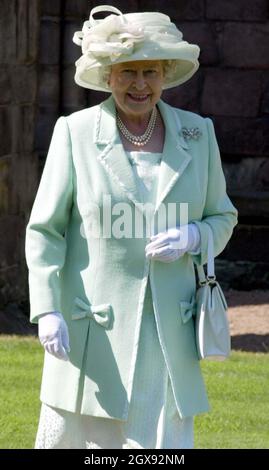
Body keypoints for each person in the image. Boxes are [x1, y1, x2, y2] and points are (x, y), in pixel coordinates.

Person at [25, 5, 238, 449]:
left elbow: (223, 215)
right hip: (92, 327)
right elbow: (45, 230)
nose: (140, 84)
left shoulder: (198, 134)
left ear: (165, 74)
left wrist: (194, 236)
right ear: (108, 75)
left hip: (167, 331)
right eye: (127, 72)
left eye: (150, 72)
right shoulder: (75, 132)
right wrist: (47, 309)